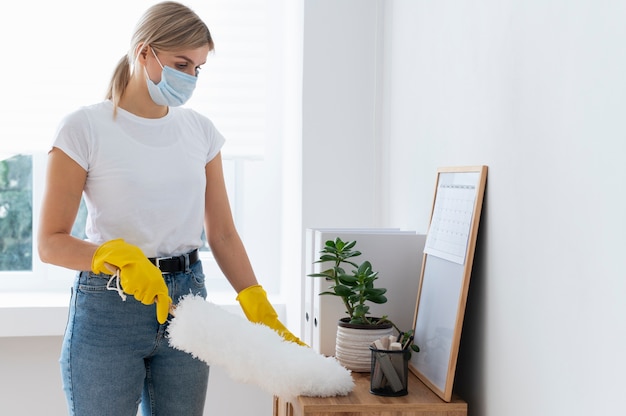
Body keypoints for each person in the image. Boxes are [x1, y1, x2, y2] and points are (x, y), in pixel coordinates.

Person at [37, 2, 304, 415]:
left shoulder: (200, 131)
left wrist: (255, 301)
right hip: (111, 305)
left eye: (198, 68)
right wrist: (116, 258)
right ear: (145, 52)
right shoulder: (83, 128)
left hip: (188, 304)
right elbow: (50, 244)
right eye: (182, 63)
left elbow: (223, 235)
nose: (191, 77)